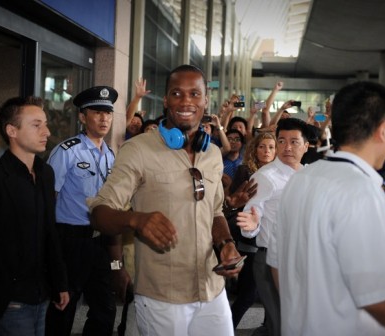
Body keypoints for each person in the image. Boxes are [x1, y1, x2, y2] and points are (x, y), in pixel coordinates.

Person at [268, 81, 385, 335]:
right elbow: (378, 296)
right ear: (383, 130)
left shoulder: (302, 179)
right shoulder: (361, 191)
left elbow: (276, 264)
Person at [88, 64, 242, 336]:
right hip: (162, 296)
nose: (186, 101)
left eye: (195, 94)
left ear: (206, 101)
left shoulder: (213, 154)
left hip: (212, 289)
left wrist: (226, 243)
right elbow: (99, 213)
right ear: (165, 100)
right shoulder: (138, 150)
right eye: (177, 93)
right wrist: (136, 219)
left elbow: (216, 211)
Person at [0, 96, 69, 335]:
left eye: (46, 124)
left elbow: (51, 231)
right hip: (7, 303)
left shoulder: (46, 173)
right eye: (36, 125)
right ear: (12, 131)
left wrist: (60, 283)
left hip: (42, 297)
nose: (47, 131)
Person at [46, 86, 130, 336]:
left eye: (108, 113)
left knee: (105, 310)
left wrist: (117, 262)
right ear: (83, 117)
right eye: (97, 112)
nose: (104, 118)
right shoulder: (66, 151)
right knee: (63, 309)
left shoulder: (110, 156)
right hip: (70, 241)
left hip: (100, 242)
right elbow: (50, 199)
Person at [237, 118, 310, 336]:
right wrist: (251, 225)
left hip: (301, 259)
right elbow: (250, 221)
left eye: (294, 142)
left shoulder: (310, 176)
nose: (287, 147)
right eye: (282, 141)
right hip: (270, 259)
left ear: (306, 146)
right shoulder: (265, 177)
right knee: (281, 324)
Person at [227, 132, 276, 329]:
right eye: (262, 146)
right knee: (247, 295)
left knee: (271, 298)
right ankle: (226, 330)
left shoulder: (280, 173)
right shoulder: (245, 170)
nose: (267, 151)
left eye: (271, 147)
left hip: (272, 242)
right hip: (249, 240)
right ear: (255, 149)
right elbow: (235, 201)